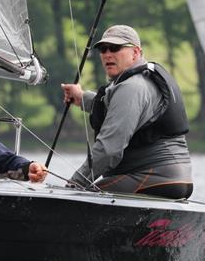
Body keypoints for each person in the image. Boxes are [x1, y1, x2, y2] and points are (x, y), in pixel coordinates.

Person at [60, 25, 193, 199]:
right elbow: (115, 108)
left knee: (81, 195)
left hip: (153, 178)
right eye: (103, 49)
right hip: (176, 179)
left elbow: (108, 150)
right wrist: (82, 97)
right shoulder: (139, 81)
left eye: (115, 48)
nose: (107, 54)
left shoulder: (131, 87)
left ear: (136, 53)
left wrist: (73, 185)